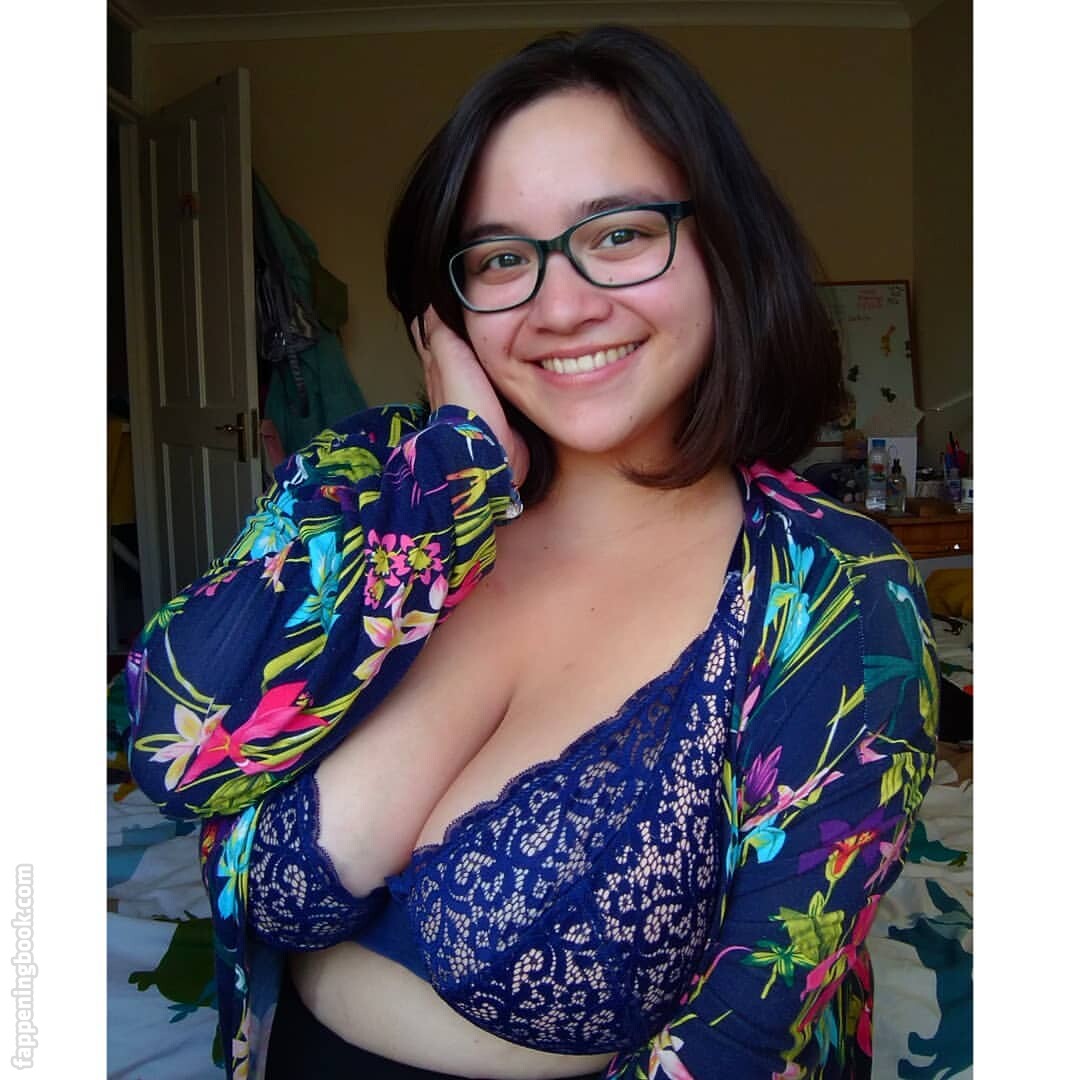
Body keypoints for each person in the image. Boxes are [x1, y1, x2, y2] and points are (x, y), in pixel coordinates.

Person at [125, 24, 938, 1080]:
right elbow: (175, 749)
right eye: (503, 257)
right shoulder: (378, 480)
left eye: (621, 233)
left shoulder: (835, 591)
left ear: (726, 248)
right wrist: (454, 474)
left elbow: (748, 1039)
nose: (561, 307)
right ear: (446, 309)